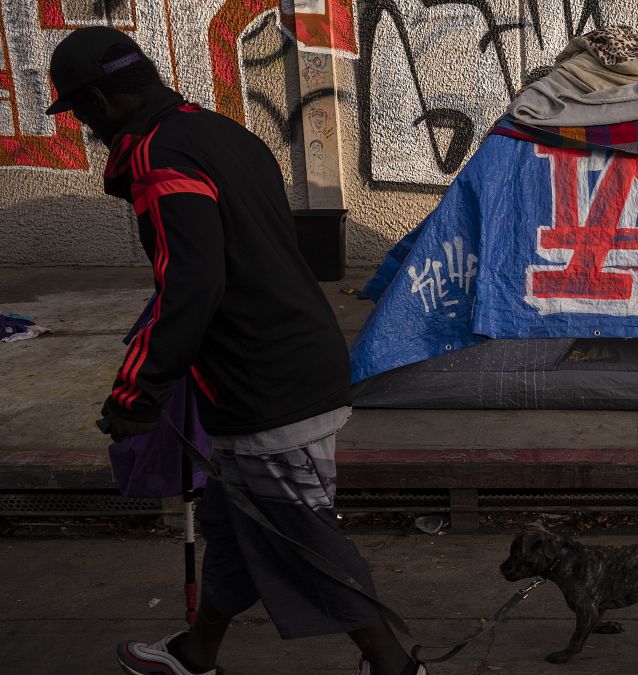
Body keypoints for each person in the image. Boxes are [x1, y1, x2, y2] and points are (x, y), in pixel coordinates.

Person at [46, 27, 423, 675]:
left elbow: (191, 282)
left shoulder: (161, 158)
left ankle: (393, 664)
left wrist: (139, 389)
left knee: (298, 536)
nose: (86, 127)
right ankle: (197, 652)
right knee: (230, 523)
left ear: (104, 101)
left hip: (268, 386)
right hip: (279, 366)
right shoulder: (221, 133)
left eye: (81, 112)